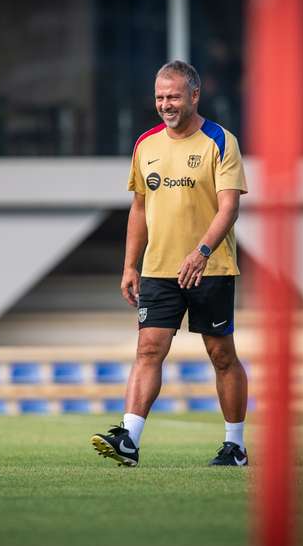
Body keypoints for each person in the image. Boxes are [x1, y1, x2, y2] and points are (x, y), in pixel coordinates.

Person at [90, 60, 249, 468]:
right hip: (159, 269)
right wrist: (130, 266)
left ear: (194, 95)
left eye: (174, 96)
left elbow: (228, 208)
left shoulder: (220, 141)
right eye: (160, 97)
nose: (166, 104)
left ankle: (235, 446)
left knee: (222, 356)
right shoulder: (145, 144)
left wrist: (202, 252)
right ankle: (129, 439)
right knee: (148, 349)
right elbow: (139, 209)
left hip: (210, 268)